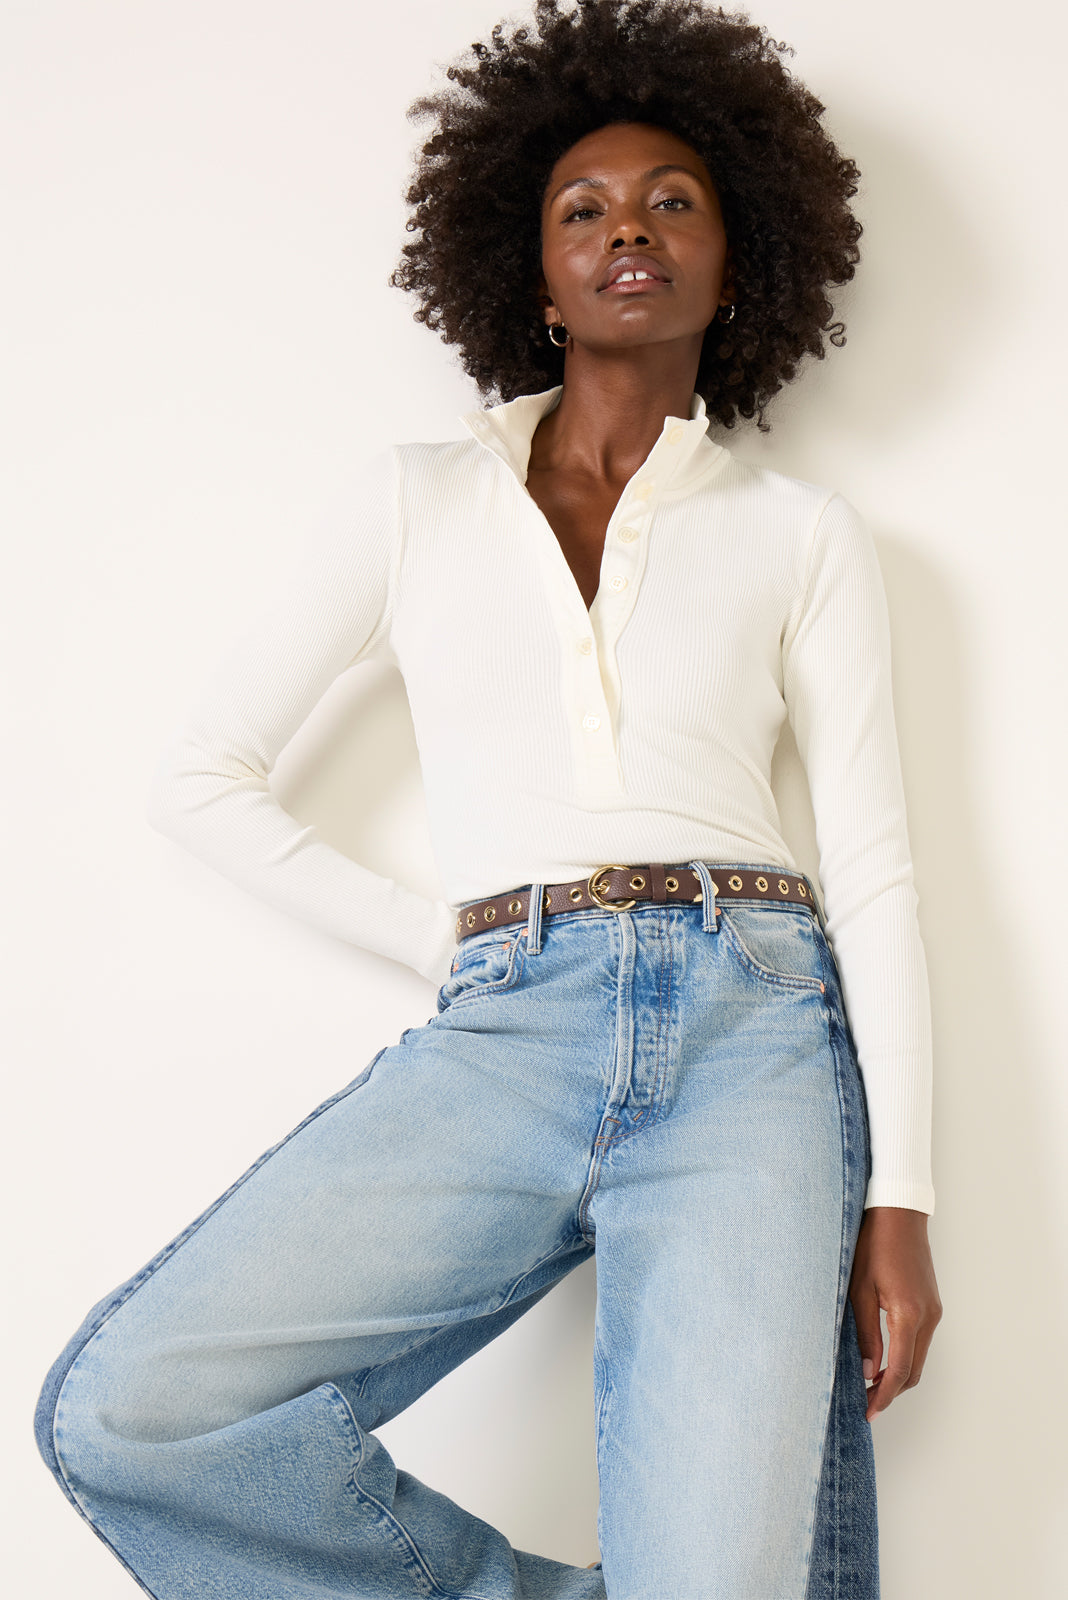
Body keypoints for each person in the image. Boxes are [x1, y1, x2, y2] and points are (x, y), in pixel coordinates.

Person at [33, 2, 943, 1595]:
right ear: (535, 278)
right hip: (506, 1023)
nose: (628, 230)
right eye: (584, 209)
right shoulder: (416, 502)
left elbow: (872, 869)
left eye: (672, 201)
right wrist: (443, 941)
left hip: (756, 1036)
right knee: (130, 1415)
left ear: (738, 264)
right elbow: (202, 779)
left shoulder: (800, 532)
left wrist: (903, 1200)